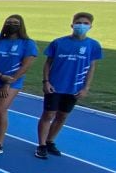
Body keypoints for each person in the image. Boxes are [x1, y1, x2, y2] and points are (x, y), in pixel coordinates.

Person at [36, 12, 102, 159]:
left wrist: (86, 87)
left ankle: (50, 141)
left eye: (85, 23)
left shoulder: (93, 46)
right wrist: (46, 81)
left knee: (62, 116)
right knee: (48, 114)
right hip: (55, 86)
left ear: (91, 26)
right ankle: (41, 145)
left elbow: (92, 67)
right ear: (72, 25)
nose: (82, 26)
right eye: (79, 22)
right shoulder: (58, 42)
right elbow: (48, 63)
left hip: (74, 88)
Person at [0, 14, 37, 157]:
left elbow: (26, 66)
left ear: (21, 25)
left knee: (0, 110)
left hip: (13, 82)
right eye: (9, 22)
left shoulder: (27, 43)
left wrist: (8, 81)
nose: (12, 24)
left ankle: (0, 143)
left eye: (15, 22)